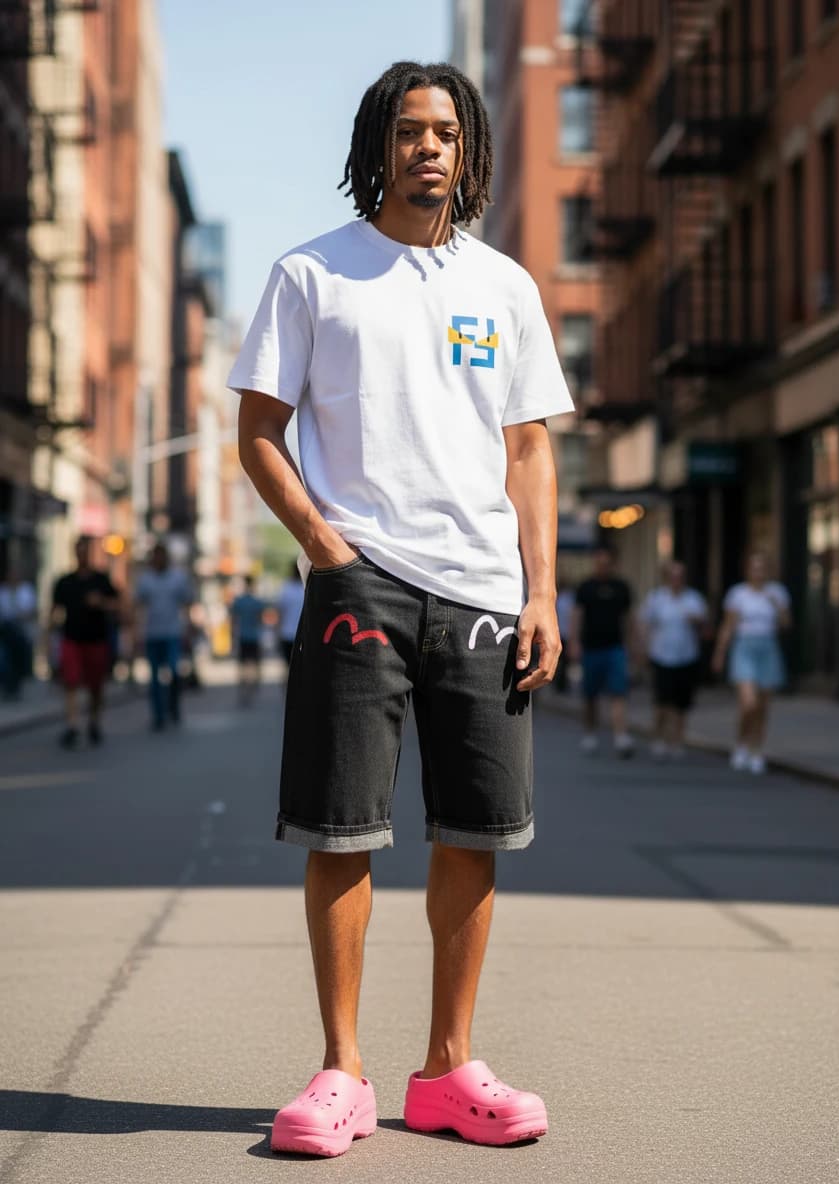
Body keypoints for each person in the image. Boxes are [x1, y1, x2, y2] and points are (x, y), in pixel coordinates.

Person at [230, 60, 573, 1156]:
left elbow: (529, 450)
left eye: (446, 132)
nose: (429, 147)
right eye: (410, 130)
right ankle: (342, 1069)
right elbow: (257, 432)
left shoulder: (506, 288)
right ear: (380, 144)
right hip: (360, 583)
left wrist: (542, 588)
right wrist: (327, 547)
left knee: (475, 831)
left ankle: (448, 1067)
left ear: (468, 148)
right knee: (342, 828)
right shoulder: (313, 274)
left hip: (483, 595)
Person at [712, 550, 791, 775]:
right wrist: (719, 653)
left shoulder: (777, 592)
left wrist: (776, 604)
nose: (758, 572)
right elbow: (728, 626)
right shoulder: (738, 594)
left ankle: (757, 749)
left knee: (763, 706)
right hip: (744, 647)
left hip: (767, 647)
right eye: (754, 568)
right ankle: (740, 743)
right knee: (748, 704)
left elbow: (786, 624)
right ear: (748, 570)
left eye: (762, 568)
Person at [51, 536, 119, 747]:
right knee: (70, 682)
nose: (82, 556)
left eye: (85, 551)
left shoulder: (101, 580)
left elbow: (118, 604)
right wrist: (48, 641)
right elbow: (54, 613)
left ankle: (93, 722)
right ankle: (72, 725)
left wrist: (101, 602)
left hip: (96, 639)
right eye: (78, 551)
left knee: (95, 686)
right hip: (71, 639)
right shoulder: (64, 582)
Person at [639, 560, 708, 759]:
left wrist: (699, 622)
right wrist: (642, 649)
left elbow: (706, 629)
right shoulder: (656, 599)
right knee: (662, 701)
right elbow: (644, 624)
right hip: (662, 656)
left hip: (686, 656)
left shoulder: (694, 599)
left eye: (680, 576)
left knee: (681, 703)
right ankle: (659, 738)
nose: (676, 580)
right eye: (673, 576)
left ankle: (677, 739)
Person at [571, 545, 634, 757]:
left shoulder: (621, 587)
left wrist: (633, 645)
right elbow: (577, 616)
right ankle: (590, 732)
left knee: (618, 692)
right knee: (591, 695)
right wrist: (574, 642)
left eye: (606, 563)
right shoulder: (585, 587)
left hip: (615, 648)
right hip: (591, 648)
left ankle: (620, 735)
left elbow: (628, 618)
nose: (603, 567)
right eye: (599, 563)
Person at [135, 542, 194, 731]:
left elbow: (187, 602)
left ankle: (173, 706)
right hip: (152, 634)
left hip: (172, 633)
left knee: (173, 672)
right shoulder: (146, 580)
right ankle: (158, 715)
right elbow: (138, 606)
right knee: (154, 677)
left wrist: (189, 626)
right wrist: (136, 632)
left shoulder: (178, 578)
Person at [0, 569, 37, 699]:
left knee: (19, 658)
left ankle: (17, 683)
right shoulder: (3, 591)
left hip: (22, 631)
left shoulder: (26, 590)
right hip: (6, 631)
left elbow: (31, 611)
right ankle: (8, 685)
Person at [231, 575, 266, 705]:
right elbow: (261, 620)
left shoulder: (239, 601)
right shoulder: (257, 602)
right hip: (255, 636)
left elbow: (234, 620)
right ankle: (252, 686)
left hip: (243, 636)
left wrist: (233, 636)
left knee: (243, 664)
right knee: (254, 663)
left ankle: (244, 688)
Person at [278, 562, 305, 675]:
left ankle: (288, 688)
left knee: (289, 665)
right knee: (302, 666)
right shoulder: (307, 588)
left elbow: (280, 612)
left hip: (287, 633)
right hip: (304, 635)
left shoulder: (286, 589)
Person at [553, 585, 574, 694]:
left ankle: (560, 683)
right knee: (562, 662)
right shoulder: (566, 600)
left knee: (563, 662)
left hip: (562, 634)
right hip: (562, 634)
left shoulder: (562, 600)